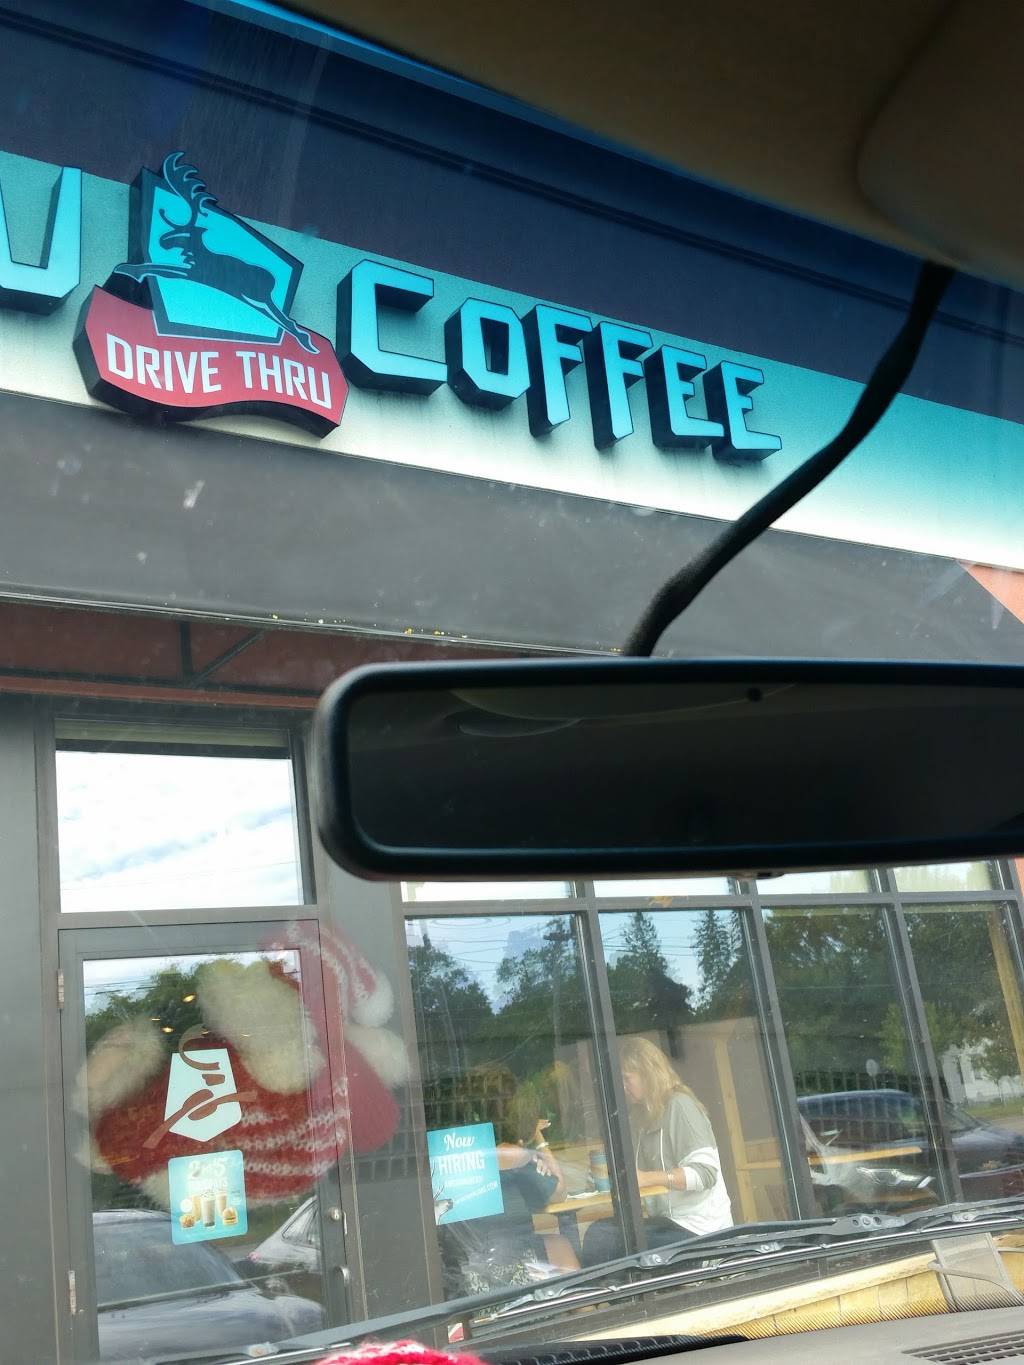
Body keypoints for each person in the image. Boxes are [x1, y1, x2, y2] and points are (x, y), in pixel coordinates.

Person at [581, 1036, 732, 1267]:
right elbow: (633, 1173)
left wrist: (645, 1178)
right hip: (667, 1222)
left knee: (608, 1242)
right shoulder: (640, 1116)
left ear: (648, 1074)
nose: (622, 1087)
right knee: (598, 1233)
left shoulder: (680, 1106)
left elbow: (705, 1174)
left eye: (626, 1078)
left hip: (701, 1231)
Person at [437, 1064, 580, 1294]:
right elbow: (560, 1192)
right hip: (511, 1273)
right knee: (561, 1245)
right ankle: (587, 1311)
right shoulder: (516, 1157)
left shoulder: (451, 1160)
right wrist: (538, 1138)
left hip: (466, 1279)